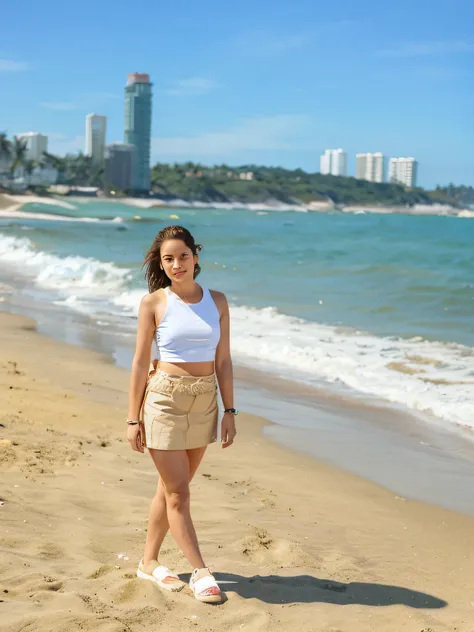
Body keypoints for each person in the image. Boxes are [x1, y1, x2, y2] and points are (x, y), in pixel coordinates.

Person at [126, 225, 237, 604]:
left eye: (183, 256)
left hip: (205, 401)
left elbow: (223, 361)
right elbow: (140, 363)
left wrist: (230, 410)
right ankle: (201, 571)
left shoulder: (217, 301)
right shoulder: (154, 303)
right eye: (168, 259)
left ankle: (148, 561)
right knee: (179, 492)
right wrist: (132, 418)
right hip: (164, 401)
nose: (177, 264)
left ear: (196, 256)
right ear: (161, 263)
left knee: (169, 488)